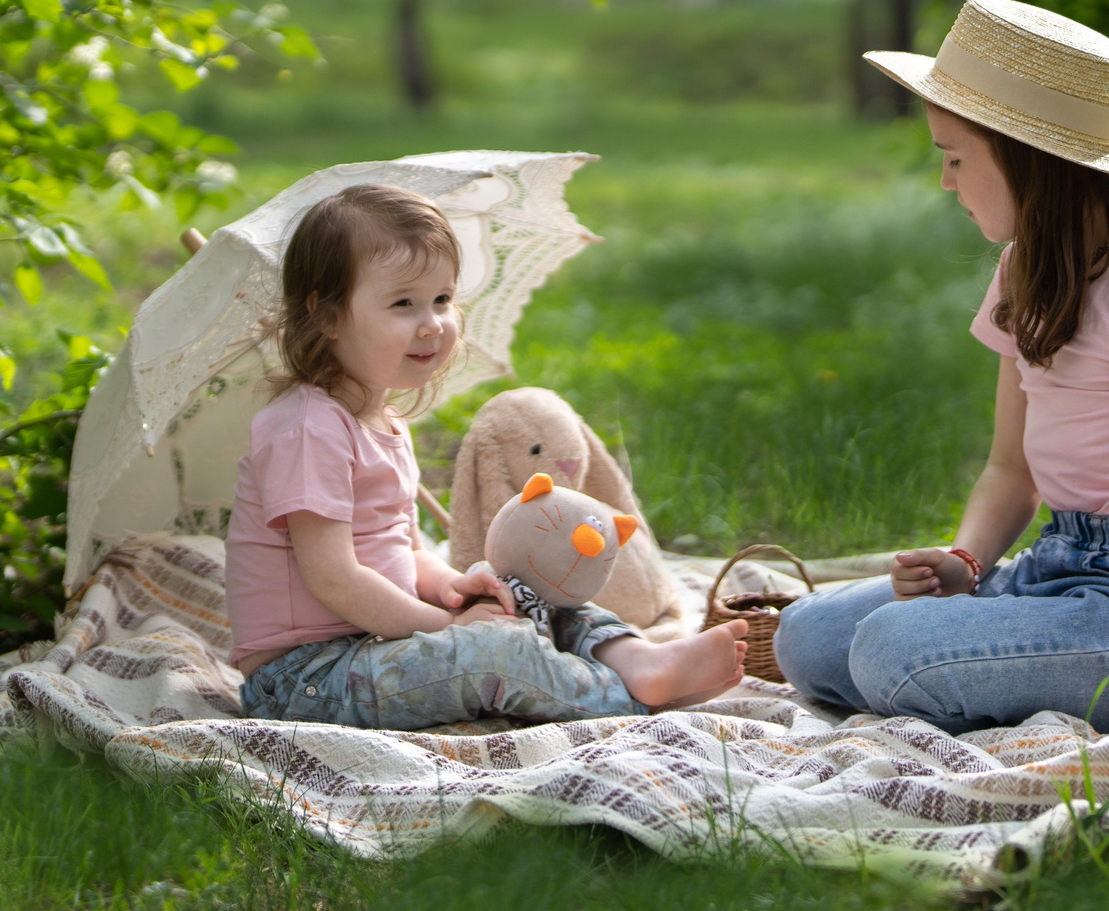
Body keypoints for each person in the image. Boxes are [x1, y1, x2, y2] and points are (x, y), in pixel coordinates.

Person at [774, 0, 1109, 734]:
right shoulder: (1025, 269)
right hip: (1059, 567)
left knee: (889, 653)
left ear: (1030, 163)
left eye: (957, 159)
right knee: (804, 636)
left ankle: (1081, 674)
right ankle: (983, 654)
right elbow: (1011, 470)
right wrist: (966, 562)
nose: (946, 182)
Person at [228, 182, 747, 728]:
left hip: (379, 636)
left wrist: (452, 588)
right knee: (492, 657)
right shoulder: (307, 429)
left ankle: (635, 657)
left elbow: (405, 549)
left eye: (442, 299)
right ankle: (630, 697)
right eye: (403, 303)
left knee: (525, 587)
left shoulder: (387, 424)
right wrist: (447, 627)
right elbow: (334, 577)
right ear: (328, 316)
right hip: (307, 677)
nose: (432, 323)